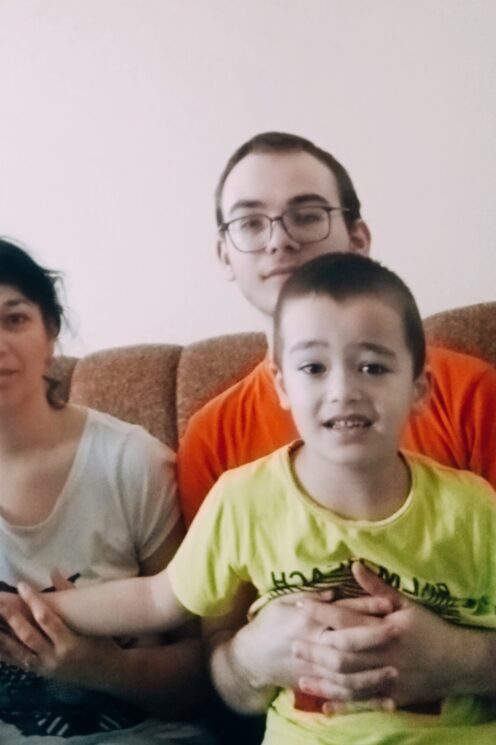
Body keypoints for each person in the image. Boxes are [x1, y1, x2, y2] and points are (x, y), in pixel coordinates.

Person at [0, 253, 496, 744]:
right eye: (314, 368)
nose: (343, 390)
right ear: (281, 386)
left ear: (419, 390)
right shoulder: (245, 500)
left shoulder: (472, 509)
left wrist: (459, 656)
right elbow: (156, 599)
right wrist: (34, 607)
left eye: (373, 367)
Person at [174, 133, 496, 713]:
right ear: (225, 255)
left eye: (306, 215)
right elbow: (215, 661)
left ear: (359, 238)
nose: (279, 239)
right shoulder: (213, 435)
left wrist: (462, 659)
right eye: (250, 223)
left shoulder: (472, 395)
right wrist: (248, 659)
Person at [0, 236, 213, 744]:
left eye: (15, 318)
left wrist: (99, 666)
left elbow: (203, 673)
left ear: (51, 332)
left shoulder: (132, 461)